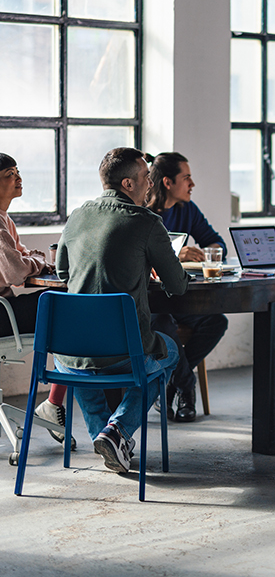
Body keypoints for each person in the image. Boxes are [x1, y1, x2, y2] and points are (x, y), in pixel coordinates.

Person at [53, 148, 190, 473]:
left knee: (81, 365)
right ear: (128, 183)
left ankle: (108, 438)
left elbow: (62, 272)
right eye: (146, 178)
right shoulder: (147, 222)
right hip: (122, 351)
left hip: (68, 353)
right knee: (168, 352)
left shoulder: (77, 215)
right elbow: (178, 286)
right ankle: (117, 432)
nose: (151, 186)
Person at [145, 152, 228, 422]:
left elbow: (218, 244)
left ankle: (170, 382)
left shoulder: (187, 209)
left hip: (180, 297)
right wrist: (174, 255)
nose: (192, 184)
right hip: (151, 303)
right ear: (168, 182)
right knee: (163, 324)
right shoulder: (142, 211)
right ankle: (186, 387)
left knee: (215, 322)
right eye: (187, 178)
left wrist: (205, 252)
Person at [0, 153, 74, 447]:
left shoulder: (5, 218)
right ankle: (54, 401)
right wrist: (40, 261)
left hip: (5, 307)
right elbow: (17, 270)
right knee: (70, 302)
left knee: (64, 305)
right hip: (2, 315)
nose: (19, 179)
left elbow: (21, 259)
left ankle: (54, 398)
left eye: (18, 172)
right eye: (9, 174)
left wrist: (34, 260)